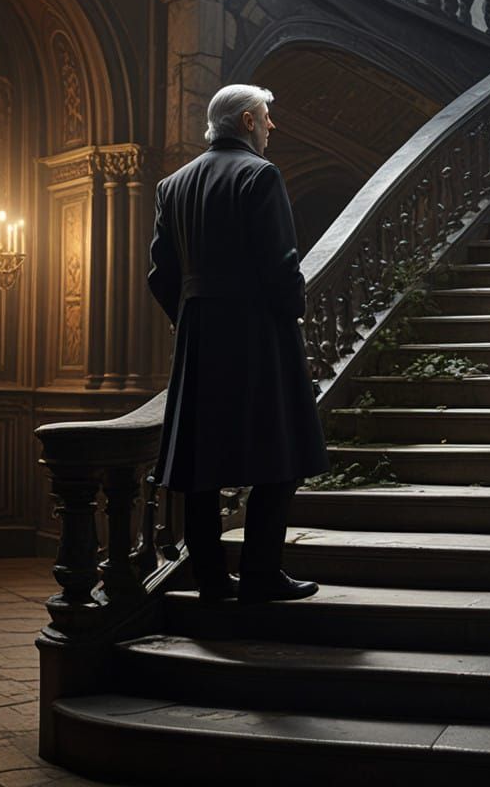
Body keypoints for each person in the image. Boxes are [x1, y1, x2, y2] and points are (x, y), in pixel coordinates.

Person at [147, 83, 329, 604]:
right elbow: (280, 264)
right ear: (247, 121)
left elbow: (161, 276)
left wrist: (189, 318)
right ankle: (260, 574)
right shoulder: (260, 175)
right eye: (267, 117)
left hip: (201, 338)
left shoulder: (172, 185)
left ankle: (209, 579)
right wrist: (291, 312)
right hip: (256, 333)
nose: (273, 126)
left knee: (200, 463)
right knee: (281, 455)